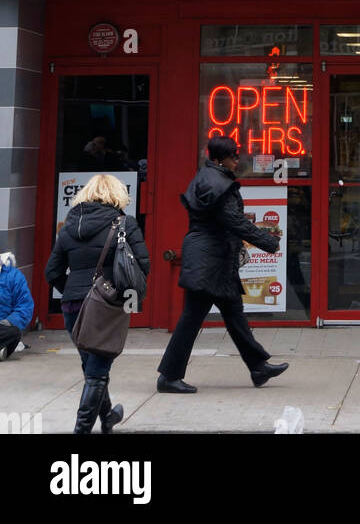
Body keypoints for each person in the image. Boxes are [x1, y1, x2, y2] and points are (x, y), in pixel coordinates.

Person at [157, 136, 288, 393]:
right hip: (209, 263)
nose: (238, 160)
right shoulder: (219, 184)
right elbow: (235, 221)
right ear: (219, 159)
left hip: (213, 261)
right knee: (191, 320)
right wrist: (269, 241)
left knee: (235, 316)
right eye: (234, 156)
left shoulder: (207, 177)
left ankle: (258, 367)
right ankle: (168, 377)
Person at [45, 173, 150, 433]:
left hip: (72, 306)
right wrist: (114, 294)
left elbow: (52, 272)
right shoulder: (125, 223)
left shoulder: (69, 226)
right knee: (96, 372)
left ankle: (108, 417)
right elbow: (142, 265)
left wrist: (73, 291)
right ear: (117, 195)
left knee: (91, 365)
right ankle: (81, 430)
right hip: (105, 305)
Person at [0, 252, 34, 361]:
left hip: (2, 327)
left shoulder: (13, 276)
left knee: (14, 333)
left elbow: (25, 306)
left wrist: (8, 321)